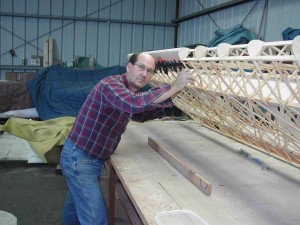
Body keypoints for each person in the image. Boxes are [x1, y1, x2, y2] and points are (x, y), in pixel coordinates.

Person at [60, 52, 195, 225]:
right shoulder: (110, 85)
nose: (144, 74)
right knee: (96, 219)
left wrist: (175, 94)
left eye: (149, 71)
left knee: (75, 211)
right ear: (129, 67)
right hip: (79, 158)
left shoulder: (127, 93)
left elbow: (140, 114)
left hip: (89, 159)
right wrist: (174, 86)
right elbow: (132, 103)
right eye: (141, 67)